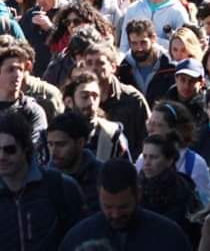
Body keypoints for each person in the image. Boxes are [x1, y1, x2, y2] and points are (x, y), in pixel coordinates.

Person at [59, 158, 192, 251]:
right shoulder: (78, 238)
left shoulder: (169, 236)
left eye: (123, 206)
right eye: (108, 207)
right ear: (98, 195)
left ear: (138, 194)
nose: (115, 214)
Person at [0, 111, 86, 251]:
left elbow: (82, 241)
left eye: (9, 149)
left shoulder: (60, 187)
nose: (1, 156)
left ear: (26, 149)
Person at [82, 42, 151, 157]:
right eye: (89, 63)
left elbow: (147, 138)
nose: (94, 68)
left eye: (100, 63)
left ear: (113, 67)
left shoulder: (132, 99)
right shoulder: (79, 98)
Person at [138, 132, 202, 242]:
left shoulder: (181, 191)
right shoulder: (135, 186)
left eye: (153, 157)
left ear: (169, 160)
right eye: (145, 156)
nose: (147, 162)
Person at [61, 71, 130, 161]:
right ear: (69, 102)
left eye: (95, 96)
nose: (91, 102)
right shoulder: (56, 135)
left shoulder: (112, 134)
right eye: (84, 96)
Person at [46, 110, 103, 213]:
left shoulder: (103, 176)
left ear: (80, 143)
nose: (53, 151)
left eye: (61, 144)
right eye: (50, 144)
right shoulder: (45, 179)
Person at [117, 19, 176, 105]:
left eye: (143, 43)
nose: (139, 48)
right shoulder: (124, 67)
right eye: (134, 43)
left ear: (153, 39)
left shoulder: (169, 66)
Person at [0, 44, 48, 148]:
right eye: (10, 69)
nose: (17, 75)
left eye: (20, 69)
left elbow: (35, 148)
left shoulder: (32, 111)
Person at [18, 0, 66, 75]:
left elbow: (69, 41)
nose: (41, 0)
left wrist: (50, 28)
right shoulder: (31, 13)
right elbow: (20, 39)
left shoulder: (67, 13)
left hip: (58, 69)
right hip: (34, 69)